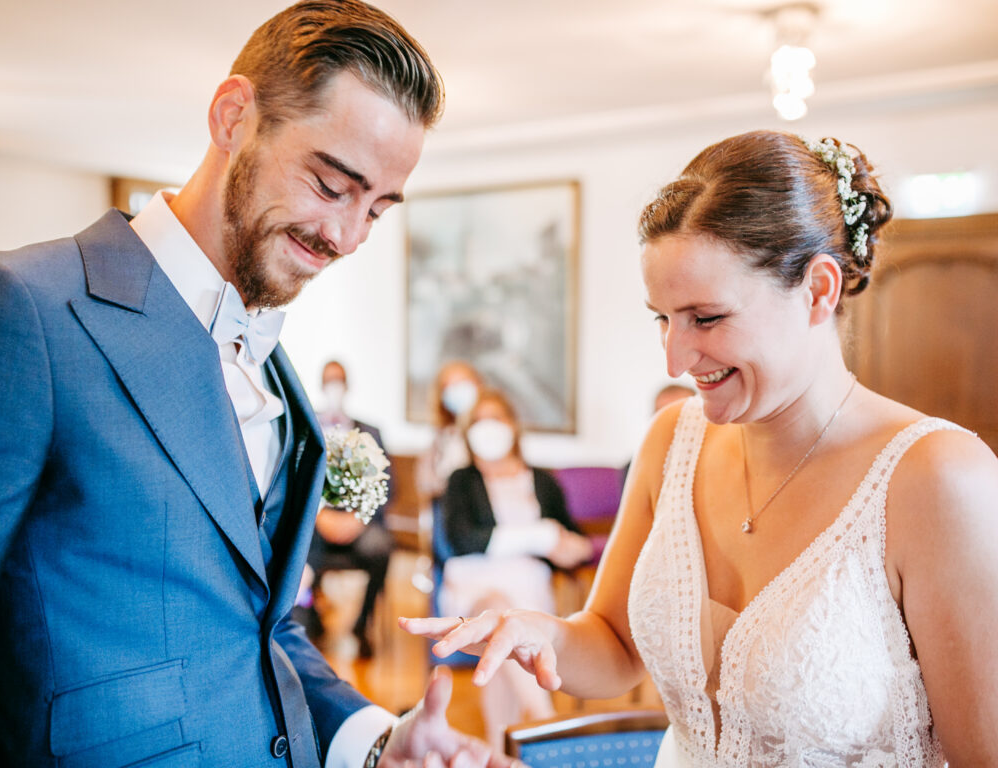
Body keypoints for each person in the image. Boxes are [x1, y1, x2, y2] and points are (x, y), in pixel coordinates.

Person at [0, 3, 520, 767]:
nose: (347, 237)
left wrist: (374, 741)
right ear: (234, 117)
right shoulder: (23, 309)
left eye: (377, 209)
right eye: (331, 184)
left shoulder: (273, 368)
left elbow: (259, 626)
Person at [402, 130, 998, 765]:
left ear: (819, 291)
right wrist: (536, 631)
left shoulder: (937, 479)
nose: (675, 359)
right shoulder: (672, 440)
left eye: (705, 318)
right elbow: (613, 644)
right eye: (662, 319)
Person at [437, 389, 592, 750]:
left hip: (530, 590)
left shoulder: (542, 481)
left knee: (502, 640)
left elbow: (572, 539)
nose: (489, 428)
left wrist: (568, 546)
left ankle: (498, 750)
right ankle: (546, 721)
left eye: (496, 418)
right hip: (474, 587)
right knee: (500, 616)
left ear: (513, 425)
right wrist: (541, 536)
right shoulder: (461, 480)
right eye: (479, 421)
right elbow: (461, 541)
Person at [302, 360, 395, 658]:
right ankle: (309, 616)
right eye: (329, 380)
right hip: (315, 525)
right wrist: (319, 516)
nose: (334, 386)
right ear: (321, 385)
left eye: (339, 380)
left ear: (347, 385)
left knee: (380, 548)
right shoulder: (306, 427)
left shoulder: (370, 433)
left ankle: (362, 623)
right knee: (297, 547)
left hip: (359, 522)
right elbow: (295, 479)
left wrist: (359, 518)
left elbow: (386, 486)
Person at [415, 360, 483, 500]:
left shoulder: (489, 433)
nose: (457, 391)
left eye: (462, 383)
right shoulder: (442, 437)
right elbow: (426, 483)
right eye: (449, 386)